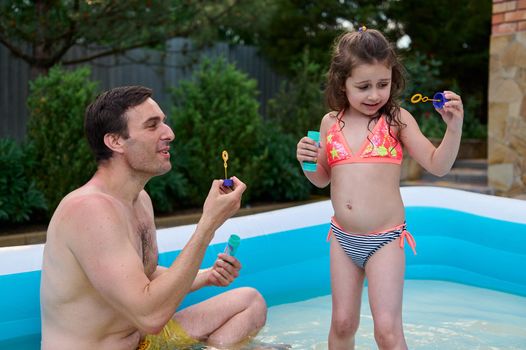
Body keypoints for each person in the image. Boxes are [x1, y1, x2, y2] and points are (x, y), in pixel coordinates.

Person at [40, 85, 267, 350]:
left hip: (142, 342)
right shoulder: (87, 210)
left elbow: (139, 274)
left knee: (249, 303)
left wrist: (207, 276)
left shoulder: (139, 200)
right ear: (115, 141)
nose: (168, 133)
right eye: (152, 125)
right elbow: (150, 316)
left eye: (164, 122)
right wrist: (208, 224)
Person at [296, 28, 463, 349]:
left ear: (392, 79)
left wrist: (453, 128)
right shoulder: (330, 123)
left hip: (385, 240)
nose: (374, 95)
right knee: (342, 323)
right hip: (342, 239)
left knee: (386, 331)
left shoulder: (397, 120)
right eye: (363, 86)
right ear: (341, 83)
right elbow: (321, 178)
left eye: (382, 84)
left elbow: (437, 165)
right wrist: (305, 160)